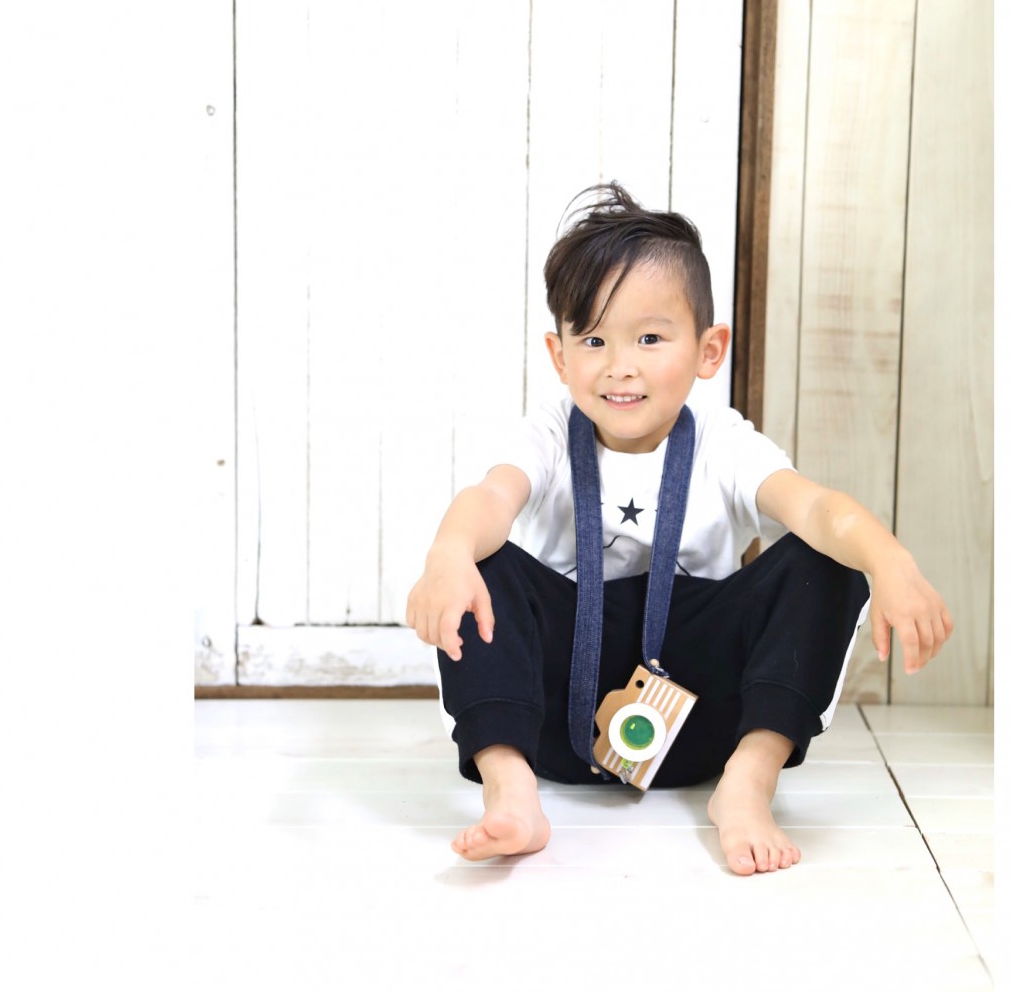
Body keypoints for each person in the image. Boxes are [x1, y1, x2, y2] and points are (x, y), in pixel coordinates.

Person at [407, 182, 952, 876]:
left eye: (650, 338)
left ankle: (748, 781)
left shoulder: (722, 441)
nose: (620, 365)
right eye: (593, 339)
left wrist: (889, 560)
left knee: (827, 558)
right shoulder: (548, 433)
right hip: (557, 713)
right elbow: (491, 496)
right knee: (480, 562)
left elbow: (816, 508)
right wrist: (449, 552)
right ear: (559, 355)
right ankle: (510, 789)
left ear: (708, 350)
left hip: (699, 711)